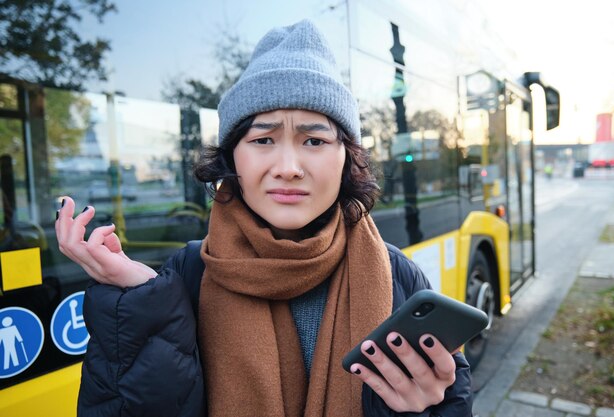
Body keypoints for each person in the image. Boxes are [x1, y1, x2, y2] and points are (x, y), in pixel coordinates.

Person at [56, 19, 473, 417]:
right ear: (231, 155)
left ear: (347, 158)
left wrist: (427, 408)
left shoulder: (398, 276)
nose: (288, 166)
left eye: (314, 139)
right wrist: (140, 300)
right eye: (263, 139)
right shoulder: (185, 276)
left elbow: (452, 402)